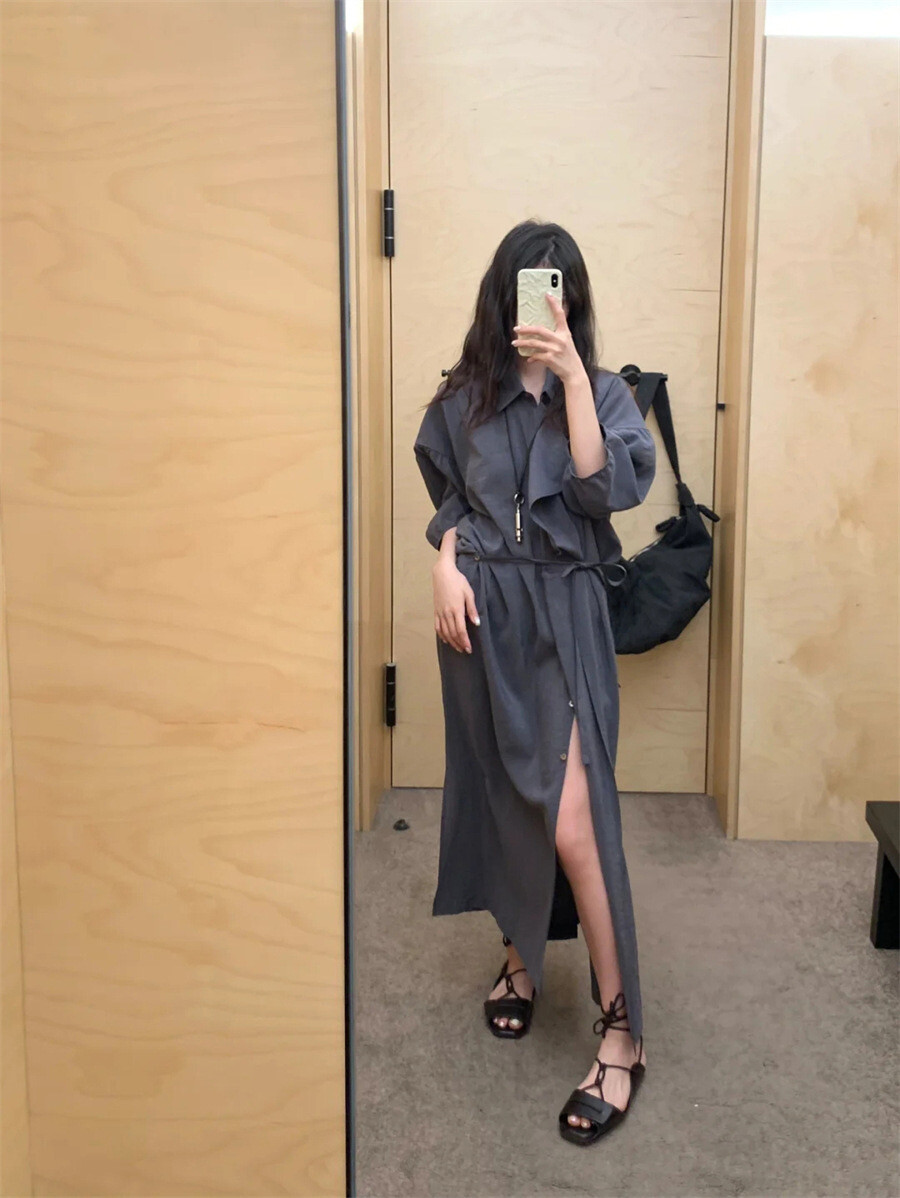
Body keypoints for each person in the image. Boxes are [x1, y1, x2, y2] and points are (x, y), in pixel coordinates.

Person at [412, 220, 656, 1144]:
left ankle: (623, 1033)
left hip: (565, 611)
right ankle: (520, 960)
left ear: (572, 300)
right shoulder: (464, 396)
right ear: (501, 295)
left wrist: (575, 380)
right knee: (506, 795)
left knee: (574, 821)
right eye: (527, 285)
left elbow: (603, 493)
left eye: (558, 288)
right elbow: (456, 501)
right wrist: (444, 562)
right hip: (480, 613)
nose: (543, 304)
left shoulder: (603, 392)